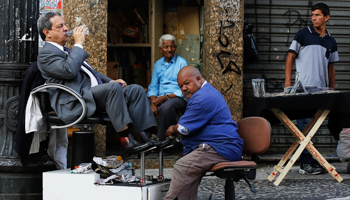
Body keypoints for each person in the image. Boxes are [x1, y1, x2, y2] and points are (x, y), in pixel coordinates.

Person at [37, 11, 158, 158]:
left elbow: (90, 72)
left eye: (65, 24)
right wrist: (79, 45)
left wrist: (110, 81)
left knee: (136, 90)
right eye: (60, 26)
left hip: (91, 94)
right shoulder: (46, 55)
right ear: (47, 32)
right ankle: (125, 141)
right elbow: (69, 71)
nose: (66, 28)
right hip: (75, 101)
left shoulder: (67, 51)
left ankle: (143, 136)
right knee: (113, 89)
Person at [163, 66, 243, 200]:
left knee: (183, 166)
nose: (183, 89)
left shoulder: (203, 97)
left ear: (198, 79)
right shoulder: (205, 93)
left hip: (221, 146)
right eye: (180, 86)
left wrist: (171, 128)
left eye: (186, 83)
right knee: (187, 165)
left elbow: (183, 128)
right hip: (219, 145)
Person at [284, 3, 339, 175]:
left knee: (313, 128)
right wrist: (287, 83)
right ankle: (305, 164)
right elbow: (290, 58)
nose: (314, 18)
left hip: (322, 91)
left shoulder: (331, 41)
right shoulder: (302, 34)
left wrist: (332, 89)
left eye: (318, 15)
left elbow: (331, 68)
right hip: (303, 90)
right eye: (312, 15)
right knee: (304, 126)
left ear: (326, 17)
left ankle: (310, 161)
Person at [147, 34, 188, 141]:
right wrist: (152, 102)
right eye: (166, 47)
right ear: (160, 49)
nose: (169, 49)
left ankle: (160, 139)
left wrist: (166, 97)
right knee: (141, 106)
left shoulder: (182, 63)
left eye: (172, 46)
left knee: (166, 107)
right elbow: (153, 86)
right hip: (160, 98)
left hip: (177, 97)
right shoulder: (158, 64)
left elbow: (185, 87)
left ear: (175, 48)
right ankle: (149, 136)